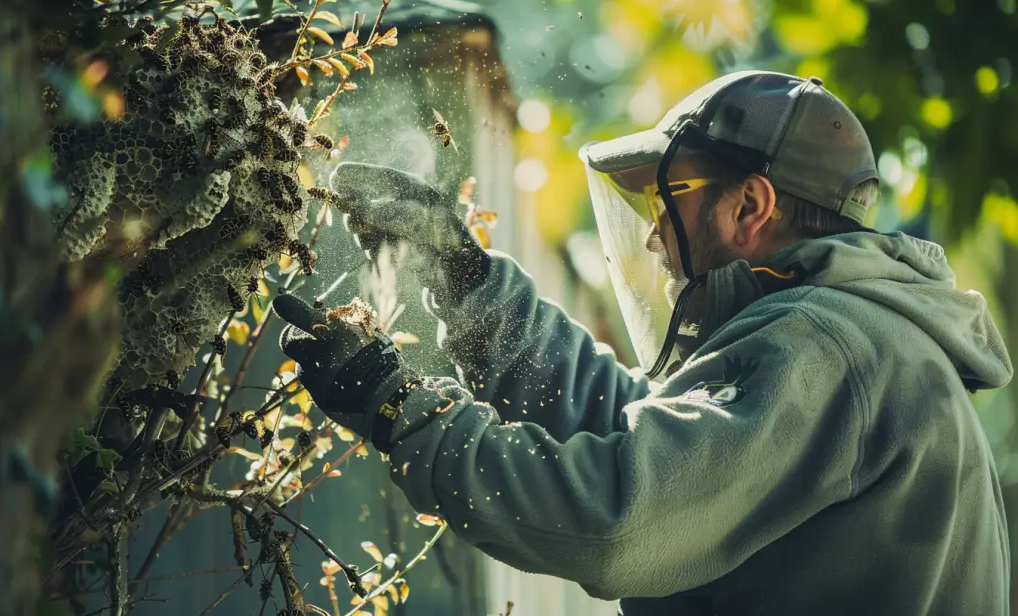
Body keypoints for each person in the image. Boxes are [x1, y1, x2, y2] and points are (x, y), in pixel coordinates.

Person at [271, 71, 1013, 615]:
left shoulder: (827, 346)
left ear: (751, 205)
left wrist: (399, 405)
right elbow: (648, 438)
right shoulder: (856, 338)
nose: (655, 236)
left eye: (669, 201)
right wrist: (469, 283)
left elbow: (619, 518)